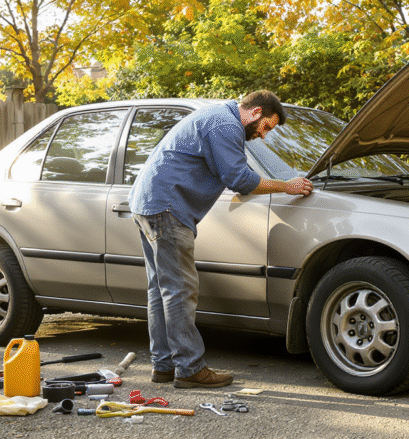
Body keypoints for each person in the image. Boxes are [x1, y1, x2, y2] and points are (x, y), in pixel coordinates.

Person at [128, 90, 314, 388]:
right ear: (255, 113)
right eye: (266, 127)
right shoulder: (225, 125)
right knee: (179, 290)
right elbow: (241, 179)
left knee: (161, 289)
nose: (264, 136)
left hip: (148, 205)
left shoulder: (215, 117)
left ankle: (164, 365)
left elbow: (237, 174)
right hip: (167, 209)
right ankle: (189, 369)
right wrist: (287, 186)